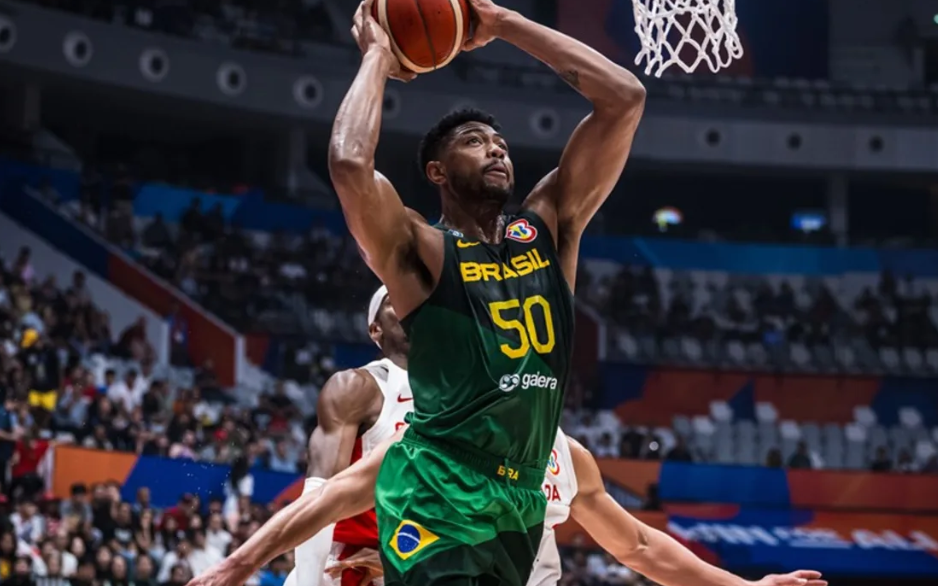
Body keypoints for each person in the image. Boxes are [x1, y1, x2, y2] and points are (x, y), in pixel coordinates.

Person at [327, 0, 646, 582]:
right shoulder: (420, 250)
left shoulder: (548, 226)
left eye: (499, 141)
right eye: (474, 141)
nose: (496, 148)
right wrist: (377, 55)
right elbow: (350, 166)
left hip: (519, 492)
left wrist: (503, 25)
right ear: (437, 172)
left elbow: (624, 98)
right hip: (441, 485)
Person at [187, 427, 826, 586]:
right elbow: (328, 499)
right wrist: (243, 562)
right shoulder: (431, 440)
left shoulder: (565, 455)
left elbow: (638, 546)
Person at [288, 286, 410, 586]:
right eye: (396, 301)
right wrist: (308, 581)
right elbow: (318, 498)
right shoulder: (357, 387)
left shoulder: (458, 396)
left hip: (414, 564)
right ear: (375, 330)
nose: (410, 308)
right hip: (344, 567)